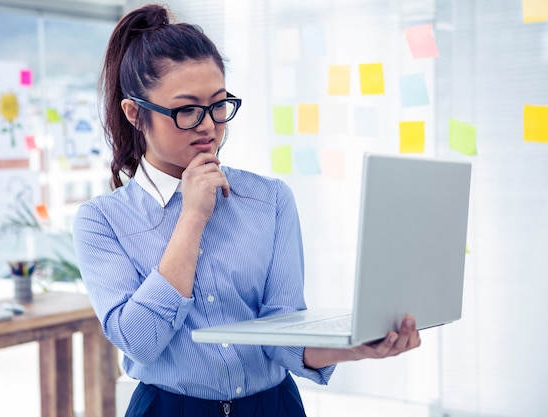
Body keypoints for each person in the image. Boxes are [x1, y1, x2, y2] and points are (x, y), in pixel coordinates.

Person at [72, 4, 421, 417]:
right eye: (187, 110)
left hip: (273, 406)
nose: (208, 126)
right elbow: (139, 341)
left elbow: (280, 331)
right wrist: (192, 218)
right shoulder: (101, 221)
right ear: (136, 113)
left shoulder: (269, 200)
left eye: (219, 105)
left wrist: (353, 347)